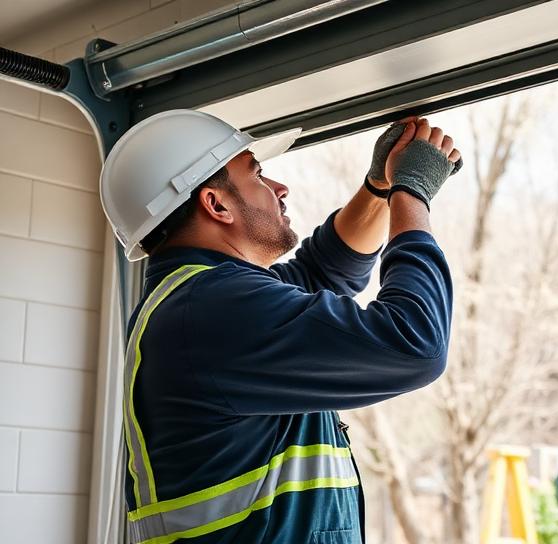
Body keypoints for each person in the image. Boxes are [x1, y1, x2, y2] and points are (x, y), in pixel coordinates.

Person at [99, 109, 463, 543]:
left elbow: (322, 270)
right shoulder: (213, 310)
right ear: (216, 204)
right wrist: (412, 193)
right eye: (258, 175)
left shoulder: (197, 300)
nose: (280, 188)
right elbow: (414, 341)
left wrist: (378, 188)